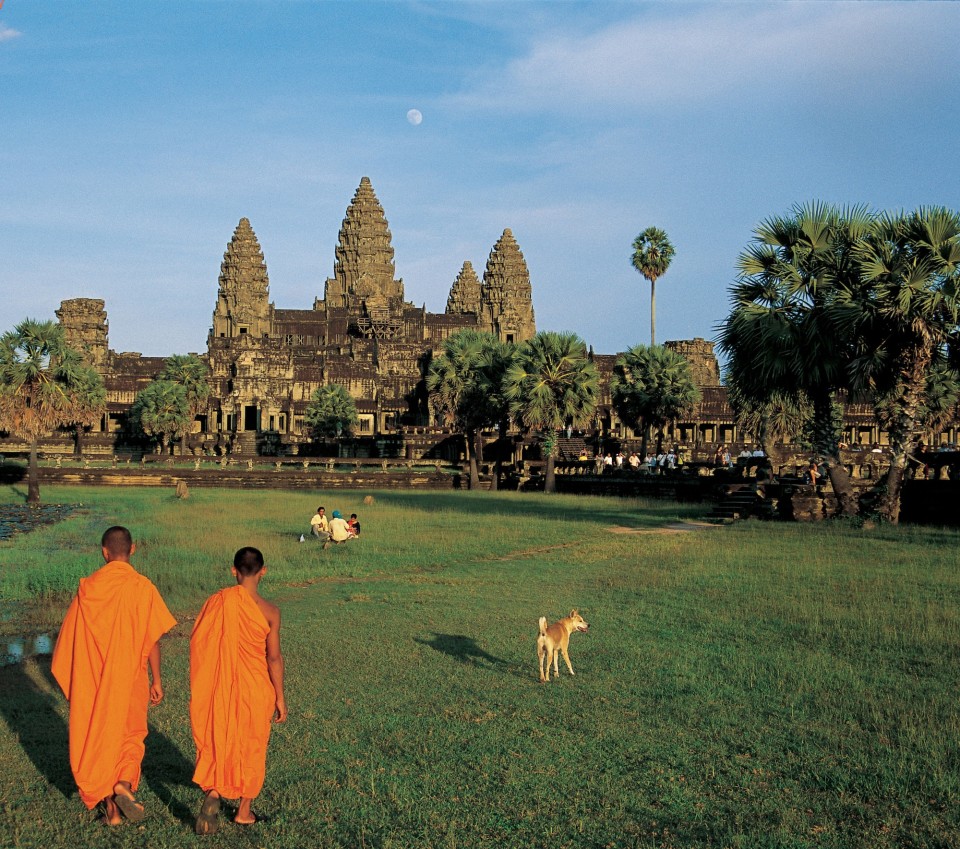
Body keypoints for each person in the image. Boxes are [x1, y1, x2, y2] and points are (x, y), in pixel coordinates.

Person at [51, 526, 176, 825]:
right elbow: (152, 640)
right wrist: (156, 679)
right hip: (130, 677)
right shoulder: (142, 587)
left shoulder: (89, 588)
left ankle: (111, 807)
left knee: (99, 735)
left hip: (93, 679)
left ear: (104, 552)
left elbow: (70, 639)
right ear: (133, 550)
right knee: (130, 734)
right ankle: (124, 784)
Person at [190, 547, 287, 834]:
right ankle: (244, 811)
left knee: (222, 736)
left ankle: (216, 791)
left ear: (234, 570)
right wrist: (280, 696)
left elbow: (199, 644)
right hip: (257, 688)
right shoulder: (270, 612)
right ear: (263, 571)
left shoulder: (217, 602)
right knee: (253, 746)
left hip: (221, 686)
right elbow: (273, 658)